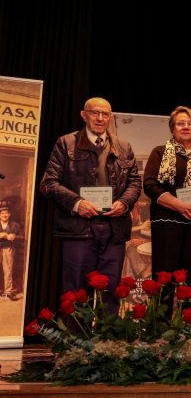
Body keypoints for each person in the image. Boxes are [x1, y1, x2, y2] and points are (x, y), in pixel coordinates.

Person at [40, 97, 141, 314]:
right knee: (76, 292)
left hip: (114, 228)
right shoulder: (66, 143)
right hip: (78, 227)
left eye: (105, 114)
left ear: (110, 117)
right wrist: (77, 203)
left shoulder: (124, 146)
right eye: (95, 113)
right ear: (84, 115)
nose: (100, 118)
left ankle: (107, 336)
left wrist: (124, 203)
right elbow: (49, 182)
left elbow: (134, 182)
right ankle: (77, 337)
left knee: (111, 292)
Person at [143, 106, 191, 290]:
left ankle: (187, 311)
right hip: (167, 223)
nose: (186, 127)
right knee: (164, 281)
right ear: (172, 128)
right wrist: (180, 206)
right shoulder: (160, 152)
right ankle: (162, 311)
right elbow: (150, 185)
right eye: (180, 123)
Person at [0, 205, 22, 300]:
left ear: (9, 214)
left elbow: (21, 237)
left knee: (8, 270)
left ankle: (8, 291)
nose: (4, 215)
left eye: (6, 213)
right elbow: (4, 235)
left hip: (8, 249)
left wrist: (14, 237)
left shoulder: (15, 225)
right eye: (2, 213)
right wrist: (3, 235)